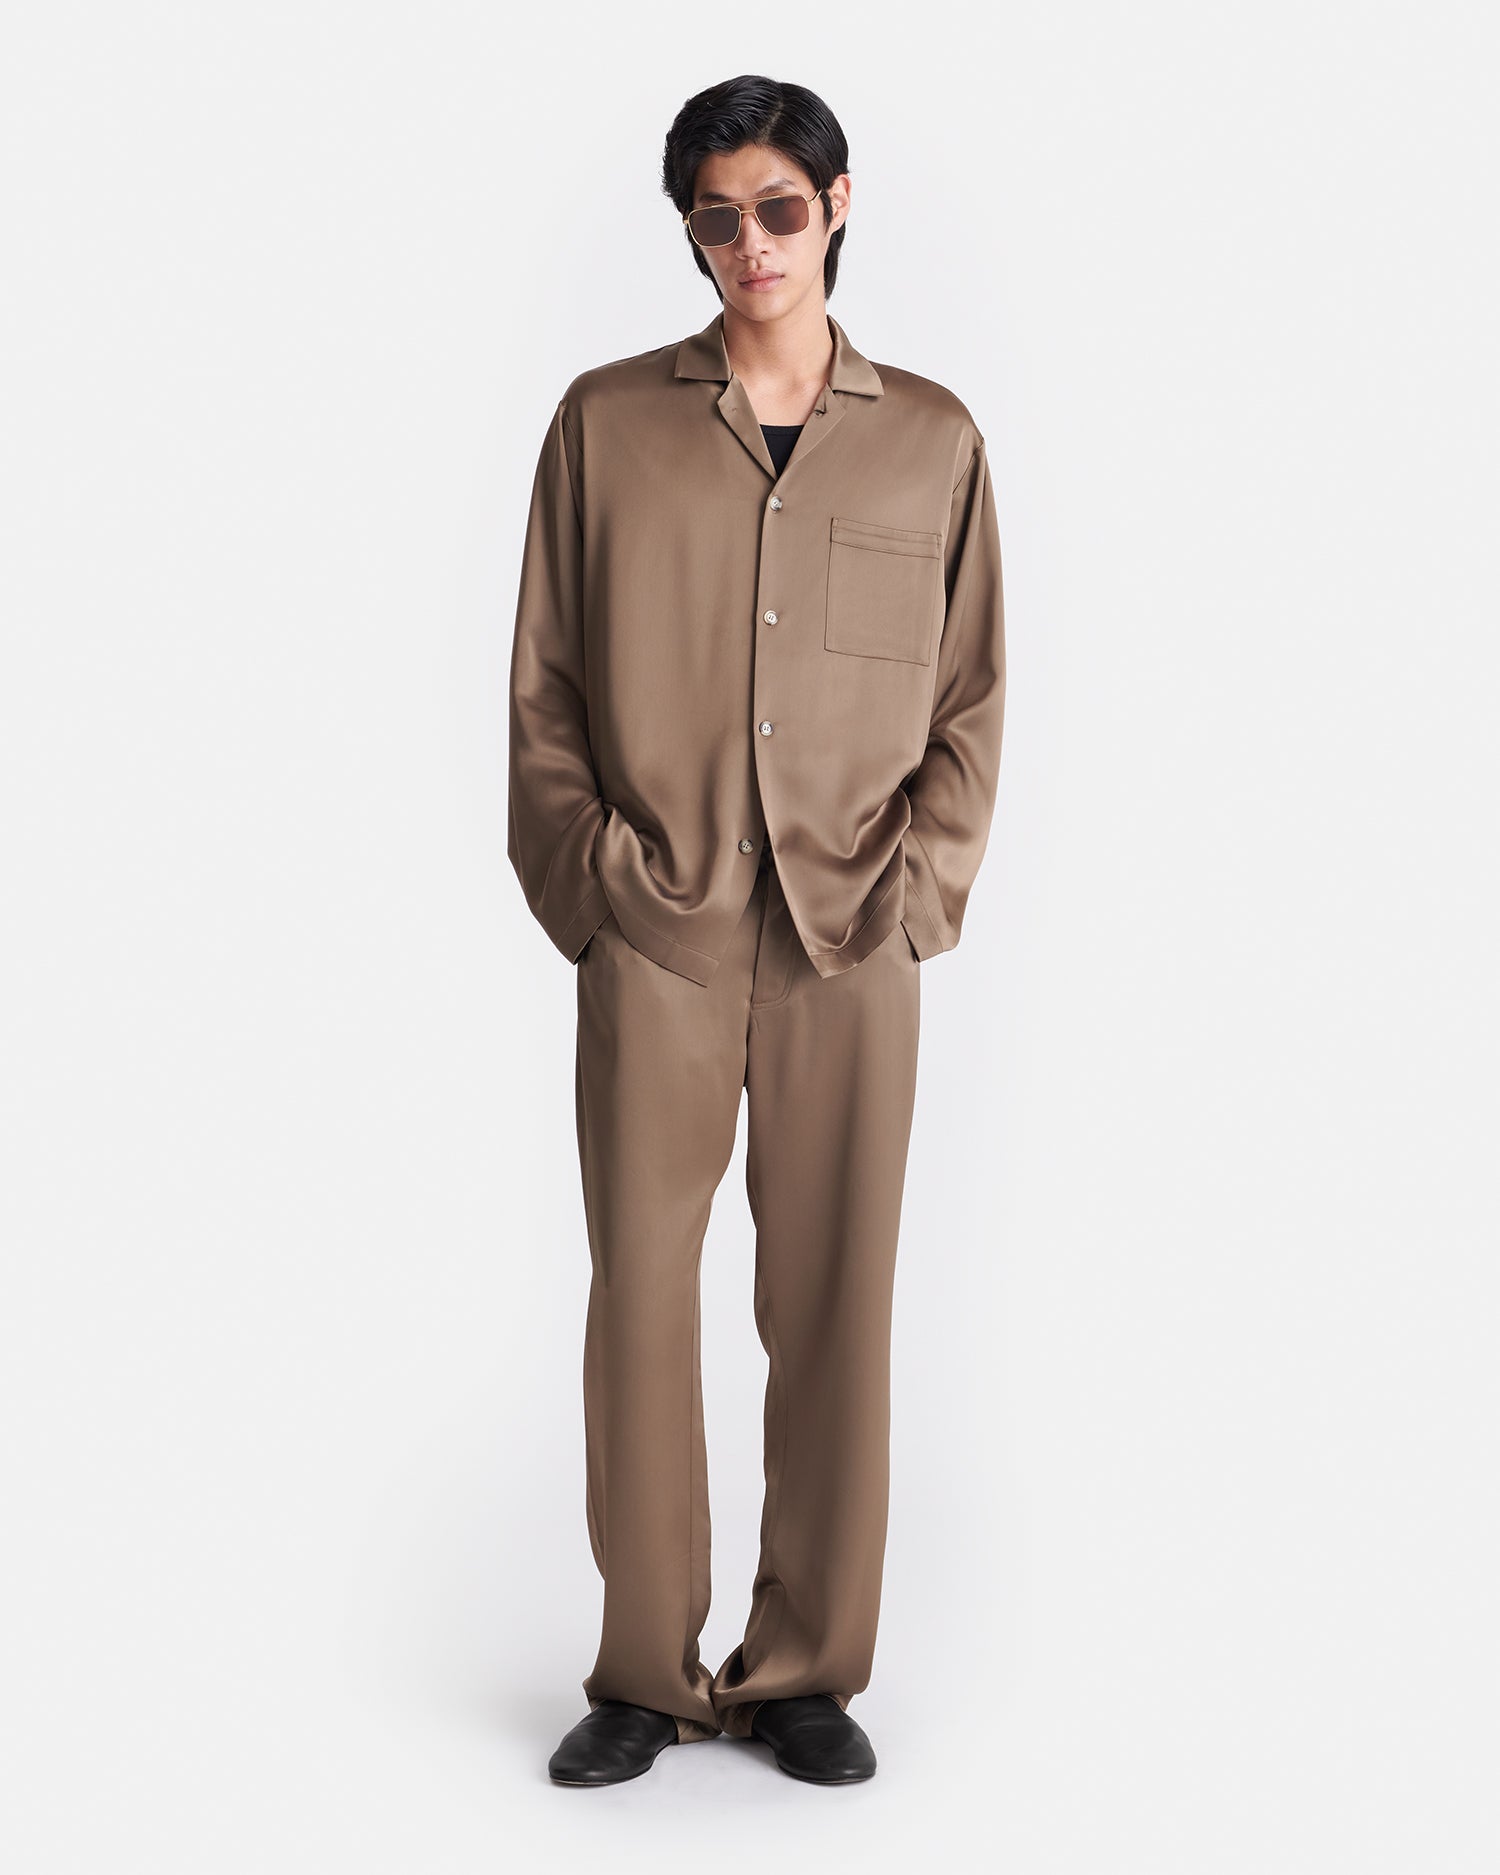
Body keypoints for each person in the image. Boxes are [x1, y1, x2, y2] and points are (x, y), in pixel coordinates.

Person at [507, 73, 1007, 1787]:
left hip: (852, 936)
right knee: (642, 1296)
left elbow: (972, 700)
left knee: (838, 1301)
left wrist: (917, 897)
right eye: (715, 217)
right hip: (659, 930)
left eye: (779, 209)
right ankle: (646, 1671)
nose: (750, 245)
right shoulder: (604, 426)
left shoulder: (933, 440)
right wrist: (597, 889)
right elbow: (545, 689)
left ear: (837, 206)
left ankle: (806, 1670)